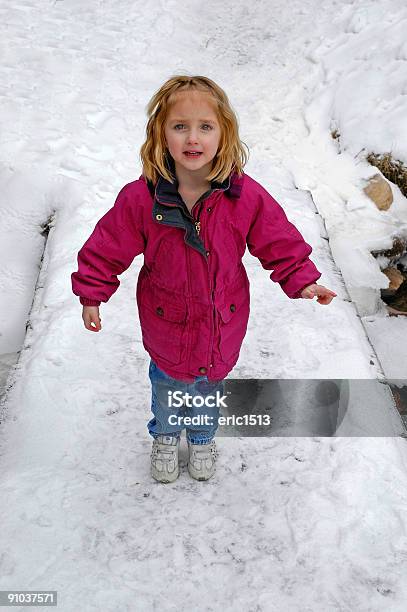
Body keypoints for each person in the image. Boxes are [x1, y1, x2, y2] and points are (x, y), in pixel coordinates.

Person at [71, 75, 337, 484]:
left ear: (223, 133)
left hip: (222, 322)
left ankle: (202, 436)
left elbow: (278, 239)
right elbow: (107, 247)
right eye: (180, 126)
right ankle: (164, 435)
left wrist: (301, 278)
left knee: (209, 390)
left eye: (205, 126)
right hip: (167, 324)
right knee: (167, 389)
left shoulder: (244, 197)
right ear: (161, 133)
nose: (192, 138)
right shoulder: (140, 199)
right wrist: (92, 293)